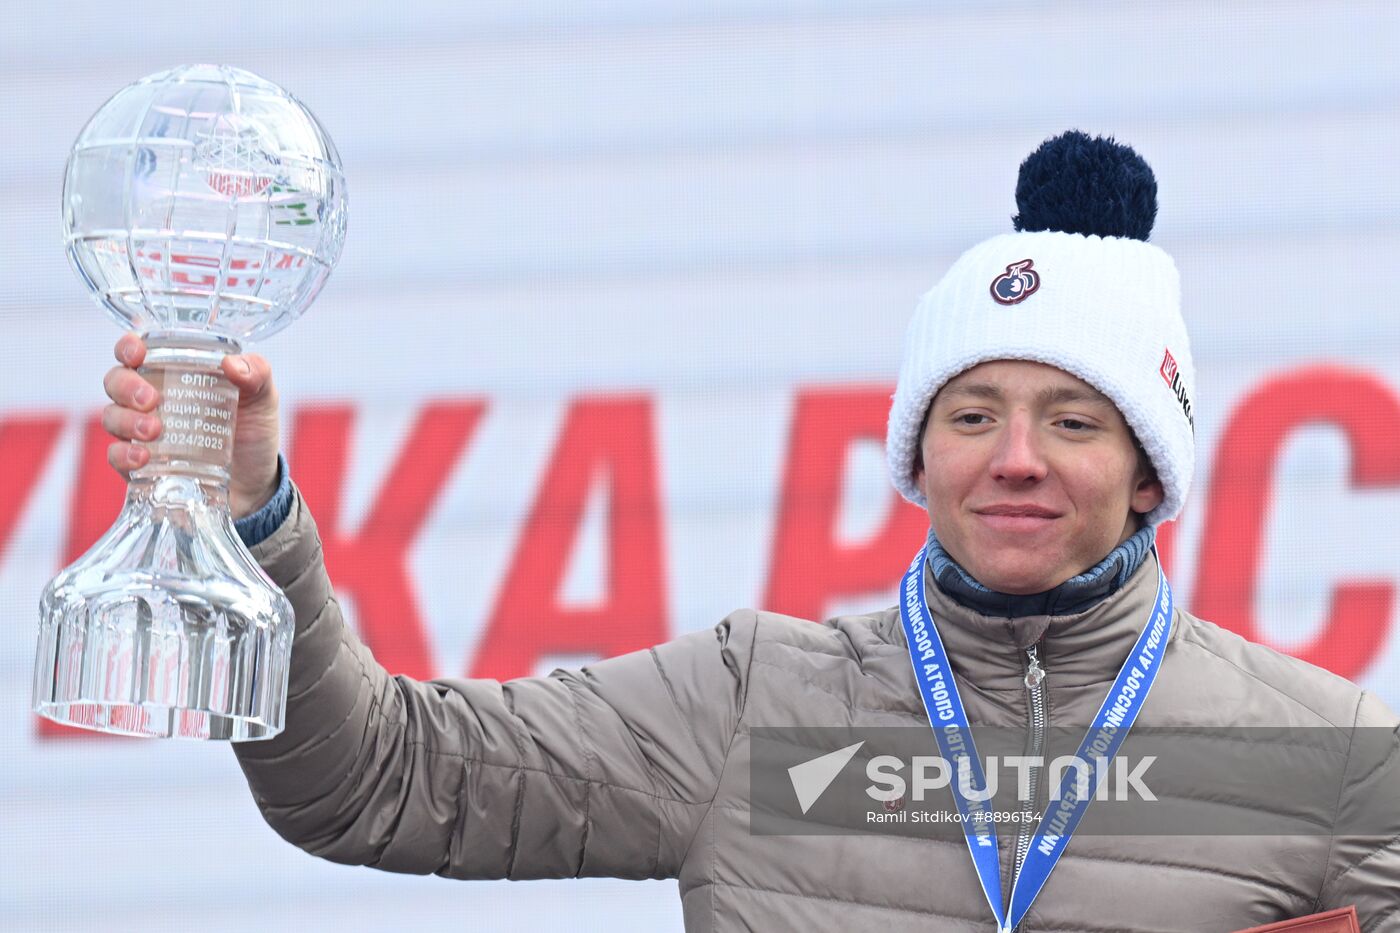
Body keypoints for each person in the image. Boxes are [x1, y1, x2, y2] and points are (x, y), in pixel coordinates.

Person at [100, 132, 1399, 932]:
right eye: (971, 414)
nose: (1015, 456)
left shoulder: (1325, 758)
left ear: (1150, 474)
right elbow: (373, 779)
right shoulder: (756, 705)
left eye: (1073, 420)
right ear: (917, 457)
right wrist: (251, 517)